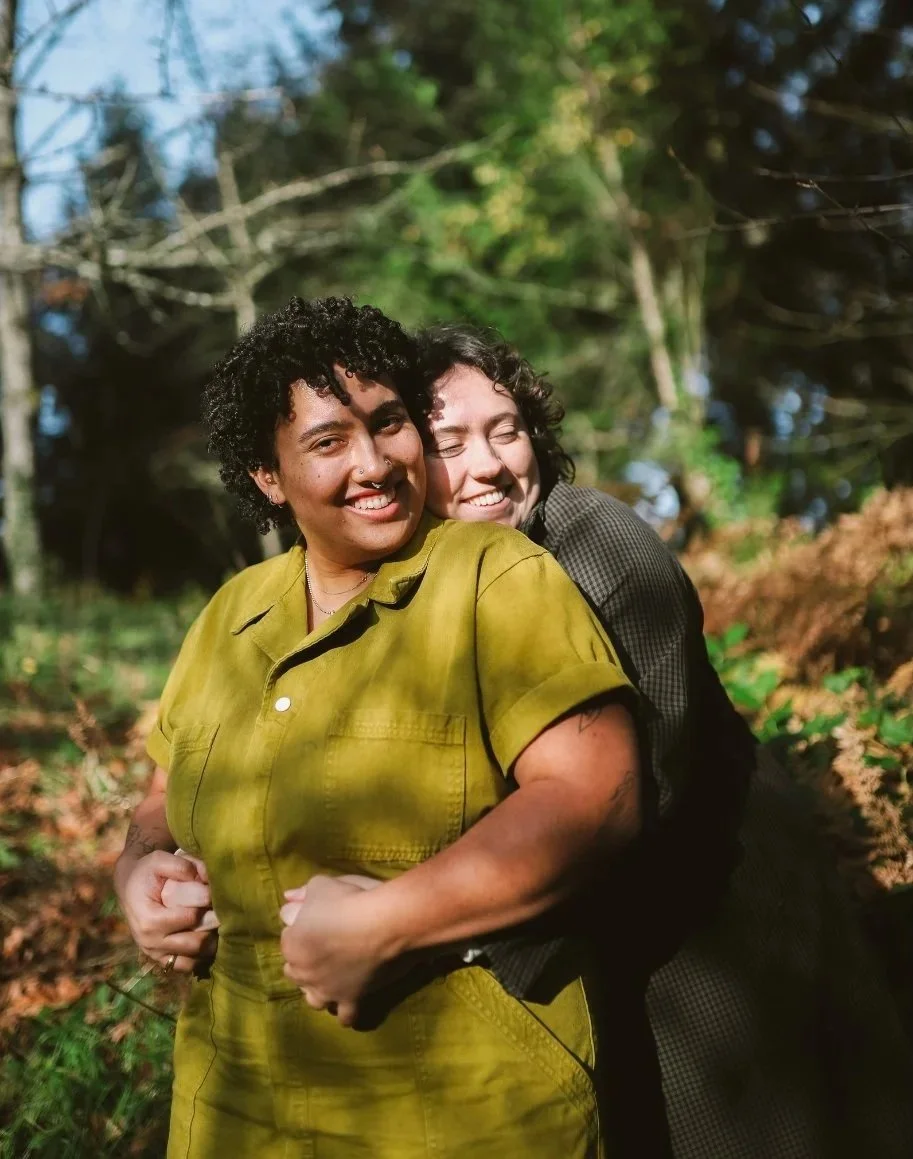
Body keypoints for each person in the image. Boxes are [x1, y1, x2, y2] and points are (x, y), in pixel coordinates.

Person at [114, 296, 653, 1159]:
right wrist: (140, 871)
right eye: (329, 441)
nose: (375, 463)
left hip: (463, 1117)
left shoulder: (494, 575)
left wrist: (392, 920)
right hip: (228, 1111)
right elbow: (160, 800)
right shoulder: (227, 615)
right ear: (267, 475)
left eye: (390, 423)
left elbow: (598, 796)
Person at [416, 323, 913, 1159]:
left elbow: (636, 787)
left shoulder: (596, 545)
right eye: (450, 443)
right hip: (602, 930)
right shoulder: (435, 579)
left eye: (505, 430)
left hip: (718, 926)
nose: (490, 464)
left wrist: (429, 937)